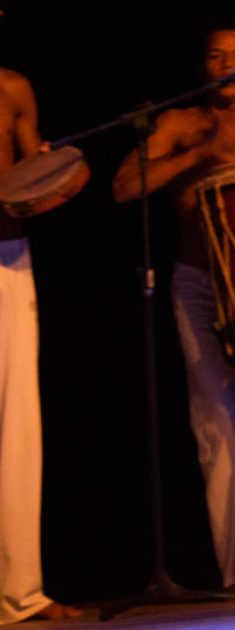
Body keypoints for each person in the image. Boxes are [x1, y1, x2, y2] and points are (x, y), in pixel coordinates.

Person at [111, 28, 235, 590]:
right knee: (220, 424)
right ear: (204, 68)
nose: (228, 64)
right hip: (200, 281)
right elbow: (124, 187)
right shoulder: (180, 124)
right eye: (217, 56)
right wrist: (201, 150)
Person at [0, 68, 84, 624]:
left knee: (16, 424)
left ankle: (19, 594)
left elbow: (33, 181)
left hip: (5, 255)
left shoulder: (14, 88)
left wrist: (50, 174)